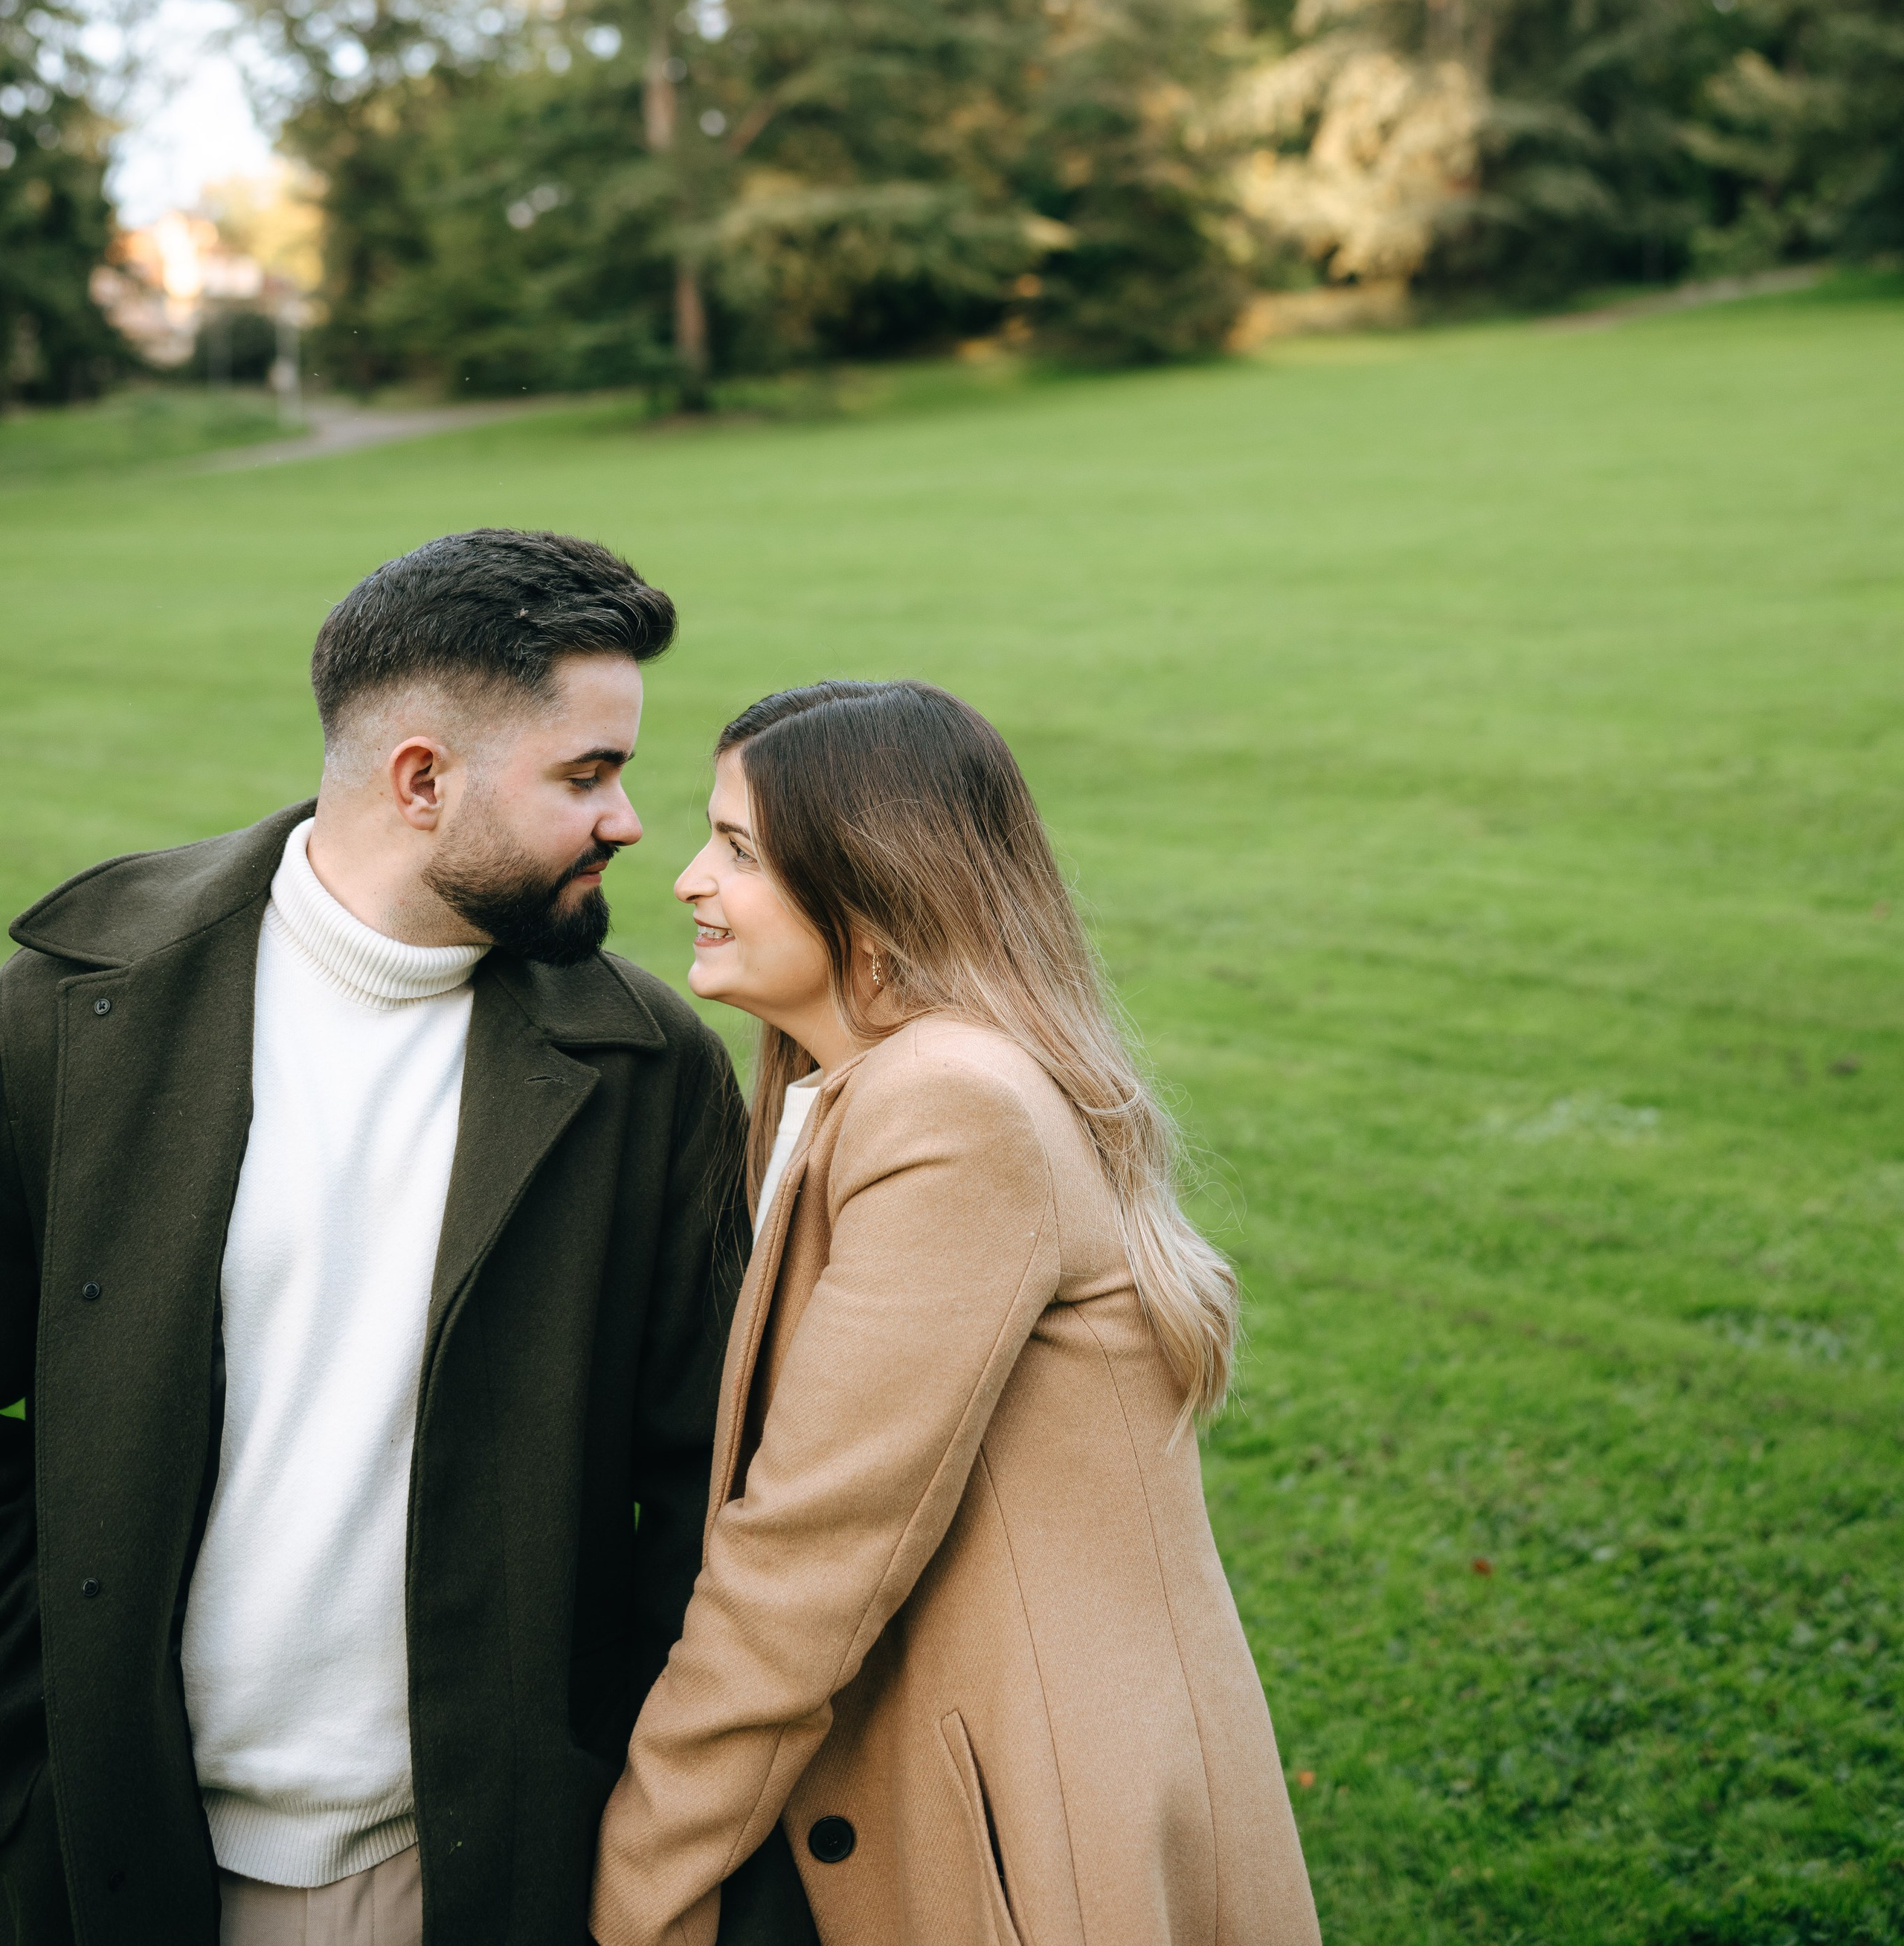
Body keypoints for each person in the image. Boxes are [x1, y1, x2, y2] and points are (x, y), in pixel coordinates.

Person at [0, 529, 805, 1946]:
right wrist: (40, 1693)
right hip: (108, 1851)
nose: (628, 823)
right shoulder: (69, 1014)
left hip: (459, 1870)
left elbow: (707, 1491)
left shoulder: (643, 1065)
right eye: (587, 775)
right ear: (422, 780)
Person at [590, 679, 1322, 1946]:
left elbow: (805, 1559)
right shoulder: (885, 1083)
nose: (691, 880)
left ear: (872, 888)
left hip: (1038, 1833)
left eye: (740, 850)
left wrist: (639, 1888)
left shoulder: (948, 1107)